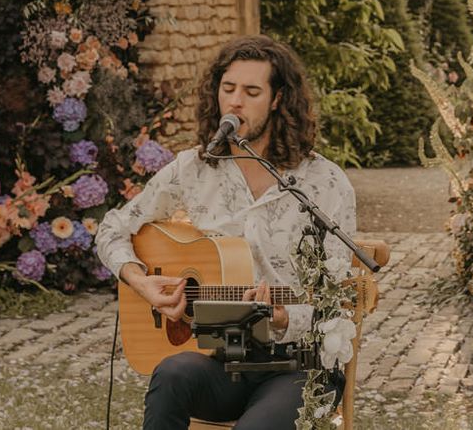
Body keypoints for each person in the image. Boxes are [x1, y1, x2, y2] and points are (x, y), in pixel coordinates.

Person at [96, 35, 357, 430]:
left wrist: (286, 317)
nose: (235, 102)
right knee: (171, 376)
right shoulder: (193, 170)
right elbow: (112, 228)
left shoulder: (323, 182)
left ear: (277, 99)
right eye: (228, 88)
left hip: (297, 367)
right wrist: (140, 282)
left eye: (252, 91)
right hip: (220, 361)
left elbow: (338, 305)